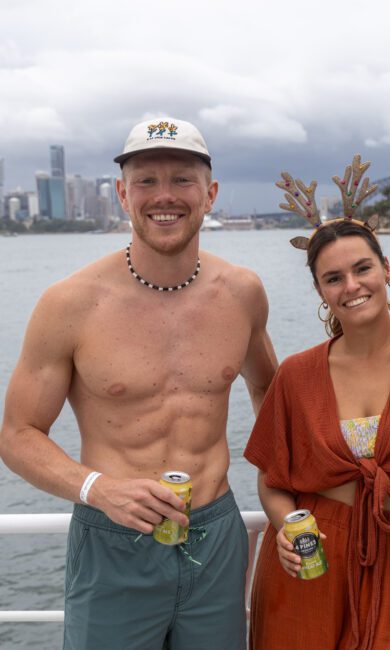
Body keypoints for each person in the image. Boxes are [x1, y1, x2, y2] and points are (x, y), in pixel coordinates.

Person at [0, 117, 278, 649]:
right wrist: (98, 490)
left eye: (182, 179)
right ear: (123, 195)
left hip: (215, 535)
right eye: (147, 181)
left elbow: (271, 391)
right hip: (113, 538)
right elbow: (17, 434)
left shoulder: (242, 292)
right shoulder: (70, 303)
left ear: (210, 193)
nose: (164, 196)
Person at [244, 156, 390, 650]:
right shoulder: (298, 373)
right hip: (311, 557)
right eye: (333, 278)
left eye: (362, 268)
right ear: (320, 291)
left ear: (386, 269)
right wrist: (286, 531)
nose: (352, 286)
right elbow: (271, 482)